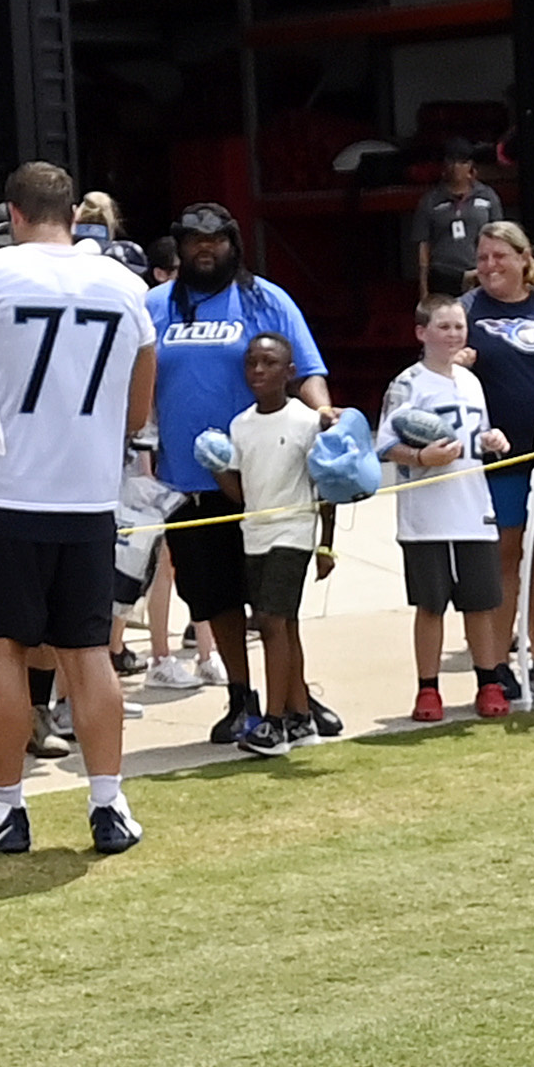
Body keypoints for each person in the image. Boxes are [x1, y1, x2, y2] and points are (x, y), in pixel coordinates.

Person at [0, 161, 150, 856]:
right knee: (89, 654)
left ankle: (5, 808)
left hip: (4, 493)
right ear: (73, 215)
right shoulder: (125, 284)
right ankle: (108, 803)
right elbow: (138, 408)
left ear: (13, 215)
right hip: (87, 494)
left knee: (2, 656)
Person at [144, 200, 327, 719]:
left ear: (234, 244)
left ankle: (294, 700)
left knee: (274, 606)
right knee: (214, 599)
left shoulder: (266, 300)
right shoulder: (156, 306)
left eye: (217, 240)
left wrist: (326, 415)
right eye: (195, 241)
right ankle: (241, 699)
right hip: (189, 483)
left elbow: (307, 369)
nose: (206, 249)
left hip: (268, 481)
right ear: (179, 247)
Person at [455, 222, 534, 715]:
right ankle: (500, 662)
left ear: (525, 259)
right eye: (482, 258)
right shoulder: (467, 313)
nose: (489, 266)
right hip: (499, 460)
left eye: (499, 256)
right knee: (506, 557)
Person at [379, 297, 501, 722]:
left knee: (480, 603)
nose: (453, 334)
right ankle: (428, 689)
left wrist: (492, 442)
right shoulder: (408, 384)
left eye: (458, 326)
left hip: (473, 507)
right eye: (444, 327)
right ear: (421, 332)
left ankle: (488, 681)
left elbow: (479, 433)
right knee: (431, 605)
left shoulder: (471, 382)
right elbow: (385, 446)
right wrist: (420, 457)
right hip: (426, 515)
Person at [216, 328, 335, 744]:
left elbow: (326, 488)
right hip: (255, 534)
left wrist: (326, 544)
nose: (258, 370)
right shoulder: (241, 425)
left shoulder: (307, 421)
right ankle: (302, 716)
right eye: (251, 362)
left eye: (269, 363)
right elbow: (242, 494)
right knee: (285, 625)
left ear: (290, 372)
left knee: (270, 622)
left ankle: (275, 721)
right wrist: (217, 468)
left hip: (294, 532)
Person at [411, 140, 501, 299]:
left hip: (478, 272)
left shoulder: (487, 196)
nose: (456, 167)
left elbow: (500, 237)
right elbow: (423, 246)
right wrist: (424, 289)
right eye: (451, 162)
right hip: (443, 274)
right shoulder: (430, 200)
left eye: (462, 162)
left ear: (471, 166)